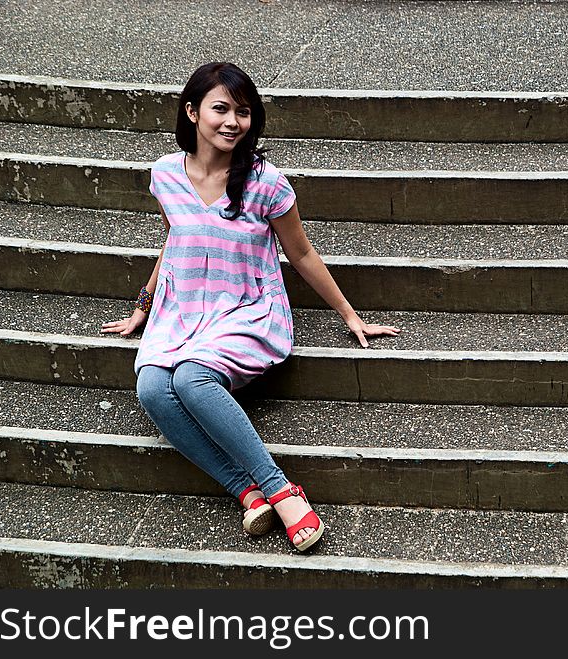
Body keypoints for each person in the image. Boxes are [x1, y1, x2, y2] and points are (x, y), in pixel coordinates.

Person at [101, 62, 399, 552]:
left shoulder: (266, 182)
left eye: (243, 112)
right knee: (153, 386)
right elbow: (176, 238)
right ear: (192, 112)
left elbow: (300, 252)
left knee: (191, 378)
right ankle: (245, 490)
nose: (232, 121)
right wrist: (143, 304)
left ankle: (280, 489)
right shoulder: (165, 175)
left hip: (246, 307)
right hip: (182, 309)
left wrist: (350, 315)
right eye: (220, 109)